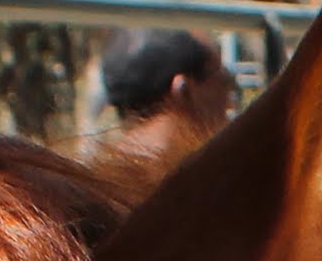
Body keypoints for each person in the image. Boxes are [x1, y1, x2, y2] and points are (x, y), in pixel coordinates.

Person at [98, 28, 232, 172]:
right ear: (183, 90)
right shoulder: (204, 183)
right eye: (224, 79)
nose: (229, 101)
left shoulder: (93, 181)